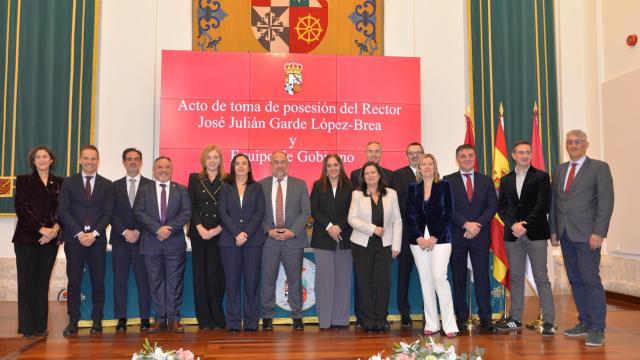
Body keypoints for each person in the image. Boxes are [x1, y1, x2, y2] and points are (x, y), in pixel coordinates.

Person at [549, 130, 614, 347]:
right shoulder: (559, 169)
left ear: (587, 144)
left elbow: (606, 202)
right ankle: (584, 321)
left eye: (578, 142)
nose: (573, 145)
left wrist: (599, 232)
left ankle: (597, 328)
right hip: (566, 234)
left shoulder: (599, 168)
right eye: (570, 142)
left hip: (588, 236)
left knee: (590, 279)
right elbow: (555, 203)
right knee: (575, 280)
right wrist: (554, 230)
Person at [496, 140, 555, 336]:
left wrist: (524, 225)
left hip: (536, 234)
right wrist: (513, 224)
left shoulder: (541, 177)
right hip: (513, 235)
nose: (524, 156)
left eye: (527, 152)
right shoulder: (505, 180)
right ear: (513, 155)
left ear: (531, 155)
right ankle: (515, 318)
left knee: (541, 277)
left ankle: (548, 321)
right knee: (515, 277)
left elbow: (543, 205)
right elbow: (502, 206)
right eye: (520, 152)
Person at [58, 144, 114, 336]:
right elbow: (63, 210)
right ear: (80, 160)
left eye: (94, 159)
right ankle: (73, 320)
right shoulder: (68, 182)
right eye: (87, 158)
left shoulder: (107, 184)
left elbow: (108, 213)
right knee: (74, 282)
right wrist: (79, 233)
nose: (90, 162)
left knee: (98, 282)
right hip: (75, 240)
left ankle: (97, 320)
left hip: (97, 241)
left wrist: (95, 234)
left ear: (98, 161)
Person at [443, 144, 497, 333]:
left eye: (470, 155)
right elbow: (448, 208)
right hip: (457, 236)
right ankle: (461, 317)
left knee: (482, 277)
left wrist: (476, 226)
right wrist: (466, 224)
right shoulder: (447, 180)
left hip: (480, 236)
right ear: (457, 159)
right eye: (463, 156)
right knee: (458, 279)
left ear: (475, 158)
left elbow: (492, 206)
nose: (467, 159)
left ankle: (486, 318)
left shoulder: (486, 180)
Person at [134, 156, 191, 333]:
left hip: (174, 243)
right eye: (160, 167)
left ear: (172, 169)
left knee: (174, 283)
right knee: (155, 282)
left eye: (167, 167)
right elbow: (139, 212)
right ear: (154, 170)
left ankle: (174, 319)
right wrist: (157, 229)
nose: (163, 170)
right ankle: (160, 319)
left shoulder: (181, 190)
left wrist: (169, 229)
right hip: (151, 243)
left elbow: (186, 213)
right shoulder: (144, 190)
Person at [12, 146, 63, 337]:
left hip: (50, 240)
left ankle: (40, 326)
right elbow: (21, 208)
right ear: (33, 161)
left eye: (45, 156)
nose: (41, 159)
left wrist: (55, 230)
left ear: (51, 160)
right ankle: (26, 327)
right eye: (37, 157)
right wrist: (42, 229)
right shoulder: (24, 180)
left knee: (42, 282)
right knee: (26, 283)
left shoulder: (59, 182)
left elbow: (63, 209)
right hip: (26, 238)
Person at [406, 154, 458, 338]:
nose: (427, 167)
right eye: (423, 164)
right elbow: (410, 215)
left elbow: (449, 213)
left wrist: (435, 236)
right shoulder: (413, 188)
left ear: (435, 167)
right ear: (418, 168)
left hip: (441, 239)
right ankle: (432, 323)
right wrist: (419, 237)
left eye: (430, 164)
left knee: (439, 278)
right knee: (425, 280)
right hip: (418, 241)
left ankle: (450, 324)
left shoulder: (444, 186)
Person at [259, 151, 311, 331]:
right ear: (270, 164)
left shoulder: (300, 184)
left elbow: (306, 212)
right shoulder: (261, 185)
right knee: (267, 279)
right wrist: (268, 231)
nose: (279, 166)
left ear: (288, 164)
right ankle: (267, 316)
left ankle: (297, 315)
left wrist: (292, 231)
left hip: (293, 240)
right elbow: (257, 213)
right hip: (269, 241)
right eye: (276, 162)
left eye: (283, 162)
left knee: (295, 279)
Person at [348, 161, 402, 333]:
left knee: (383, 283)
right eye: (367, 173)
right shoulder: (357, 194)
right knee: (364, 283)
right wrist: (373, 229)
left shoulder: (391, 194)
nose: (370, 176)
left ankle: (381, 319)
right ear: (363, 177)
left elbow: (397, 220)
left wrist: (397, 245)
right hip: (362, 244)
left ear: (379, 175)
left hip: (386, 244)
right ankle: (369, 320)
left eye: (373, 172)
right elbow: (352, 219)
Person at [218, 153, 265, 333]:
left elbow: (260, 212)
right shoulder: (225, 187)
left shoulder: (257, 187)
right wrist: (237, 233)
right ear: (232, 167)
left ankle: (252, 322)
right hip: (229, 242)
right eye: (237, 163)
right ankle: (234, 322)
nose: (240, 166)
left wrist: (245, 233)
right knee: (232, 283)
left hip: (253, 241)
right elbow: (223, 213)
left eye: (244, 163)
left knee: (252, 282)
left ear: (249, 167)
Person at [310, 154, 354, 330]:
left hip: (344, 238)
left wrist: (339, 227)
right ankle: (325, 321)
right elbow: (314, 209)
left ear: (341, 166)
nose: (333, 168)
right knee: (324, 281)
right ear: (325, 168)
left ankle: (340, 320)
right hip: (323, 238)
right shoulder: (318, 186)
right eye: (329, 166)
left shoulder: (351, 187)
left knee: (343, 280)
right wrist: (329, 227)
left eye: (336, 165)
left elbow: (353, 211)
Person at [110, 148, 152, 332]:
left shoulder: (151, 186)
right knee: (120, 281)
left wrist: (138, 231)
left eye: (136, 159)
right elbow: (110, 213)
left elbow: (152, 214)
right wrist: (125, 231)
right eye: (129, 159)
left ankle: (144, 318)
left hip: (143, 241)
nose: (133, 162)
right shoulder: (114, 186)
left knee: (144, 281)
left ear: (141, 162)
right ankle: (121, 318)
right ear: (124, 162)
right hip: (120, 241)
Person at [187, 145, 226, 330]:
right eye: (209, 157)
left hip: (219, 234)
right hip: (199, 233)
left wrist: (220, 228)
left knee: (216, 275)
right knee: (200, 276)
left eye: (215, 157)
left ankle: (218, 317)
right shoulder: (195, 178)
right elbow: (191, 205)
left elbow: (231, 208)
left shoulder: (227, 180)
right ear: (204, 160)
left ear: (220, 160)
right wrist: (199, 226)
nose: (212, 160)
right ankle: (204, 319)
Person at [391, 142, 424, 327]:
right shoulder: (398, 175)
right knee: (404, 274)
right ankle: (404, 312)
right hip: (405, 234)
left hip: (427, 235)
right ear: (406, 155)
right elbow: (398, 205)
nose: (414, 156)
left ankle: (429, 312)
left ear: (423, 154)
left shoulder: (431, 173)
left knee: (427, 274)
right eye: (411, 153)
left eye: (418, 153)